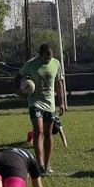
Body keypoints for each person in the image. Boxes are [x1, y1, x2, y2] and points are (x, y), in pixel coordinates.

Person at [19, 43, 65, 175]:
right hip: (35, 103)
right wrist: (20, 90)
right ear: (40, 55)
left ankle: (47, 165)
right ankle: (40, 165)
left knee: (48, 134)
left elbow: (59, 83)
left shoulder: (56, 64)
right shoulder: (30, 64)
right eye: (46, 58)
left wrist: (61, 102)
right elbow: (17, 77)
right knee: (38, 132)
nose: (48, 60)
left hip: (49, 104)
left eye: (50, 57)